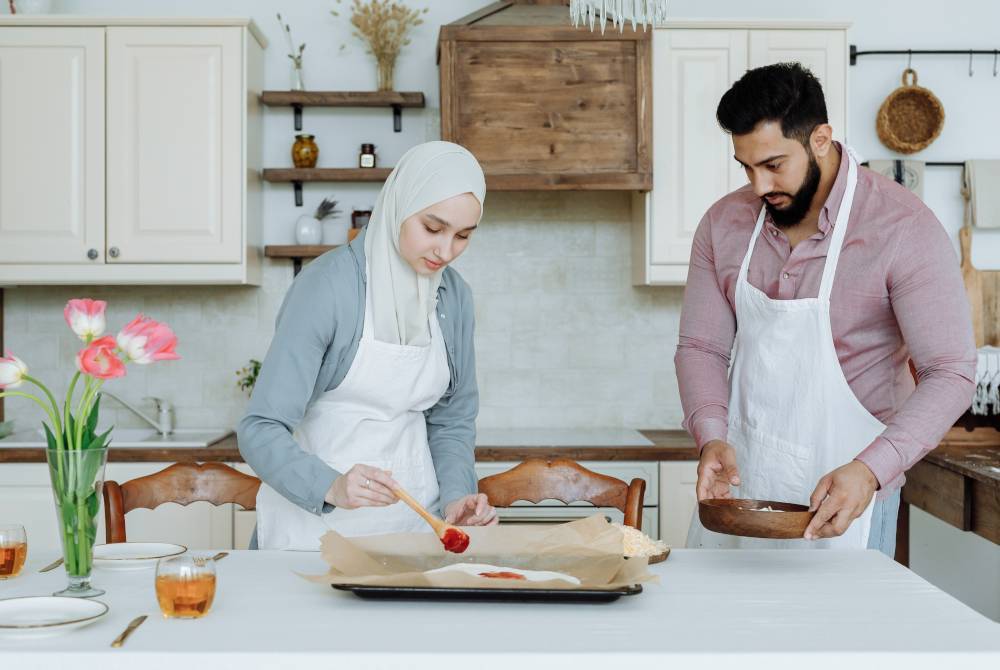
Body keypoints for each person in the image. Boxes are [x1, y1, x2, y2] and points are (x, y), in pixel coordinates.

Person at [676, 63, 976, 554]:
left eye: (773, 165)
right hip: (742, 493)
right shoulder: (722, 225)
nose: (757, 187)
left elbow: (951, 371)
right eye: (746, 167)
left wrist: (872, 470)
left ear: (820, 138)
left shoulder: (902, 228)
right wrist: (710, 437)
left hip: (849, 502)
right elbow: (700, 347)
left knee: (843, 633)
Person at [237, 141, 497, 550]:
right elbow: (260, 428)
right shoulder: (326, 287)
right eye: (432, 228)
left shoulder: (454, 296)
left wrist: (457, 497)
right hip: (314, 531)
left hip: (412, 531)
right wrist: (332, 486)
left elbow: (451, 421)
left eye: (462, 236)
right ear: (398, 205)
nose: (446, 251)